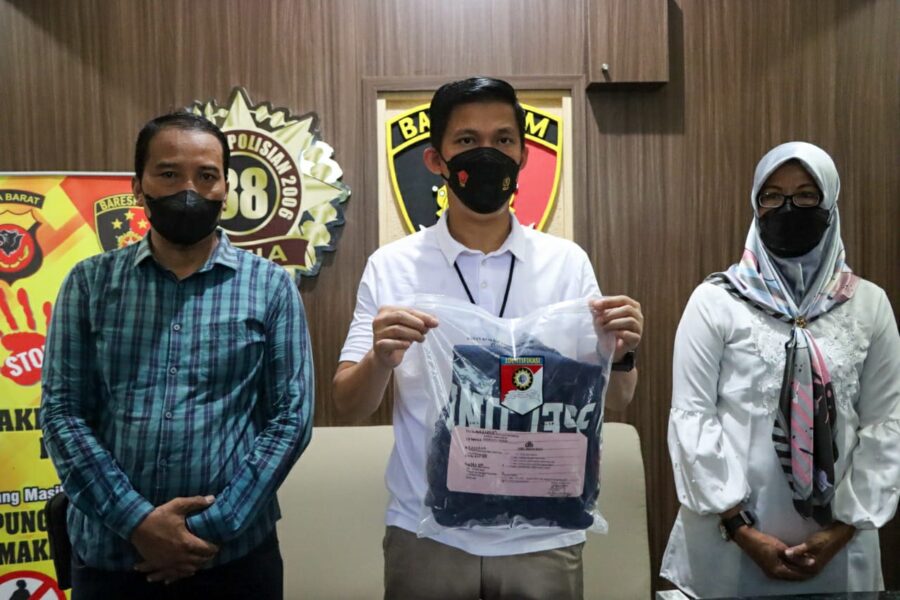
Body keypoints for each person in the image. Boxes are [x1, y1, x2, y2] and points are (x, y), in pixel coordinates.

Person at [333, 77, 643, 600]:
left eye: (503, 140)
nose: (487, 154)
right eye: (467, 140)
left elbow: (616, 400)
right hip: (427, 532)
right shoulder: (391, 266)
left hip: (544, 533)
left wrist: (624, 352)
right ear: (436, 159)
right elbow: (348, 403)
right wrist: (380, 360)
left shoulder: (567, 263)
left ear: (523, 156)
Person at [41, 111, 314, 600]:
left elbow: (291, 419)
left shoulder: (271, 286)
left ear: (225, 189)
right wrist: (137, 522)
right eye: (169, 174)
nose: (189, 191)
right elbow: (62, 413)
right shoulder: (88, 284)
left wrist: (209, 527)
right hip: (112, 558)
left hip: (232, 559)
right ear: (138, 186)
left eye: (206, 176)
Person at [661, 142, 900, 597]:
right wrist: (739, 527)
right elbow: (692, 418)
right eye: (772, 196)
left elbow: (887, 424)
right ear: (756, 206)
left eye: (806, 195)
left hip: (841, 551)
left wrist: (843, 530)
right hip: (727, 547)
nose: (788, 208)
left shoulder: (868, 304)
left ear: (830, 204)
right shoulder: (716, 301)